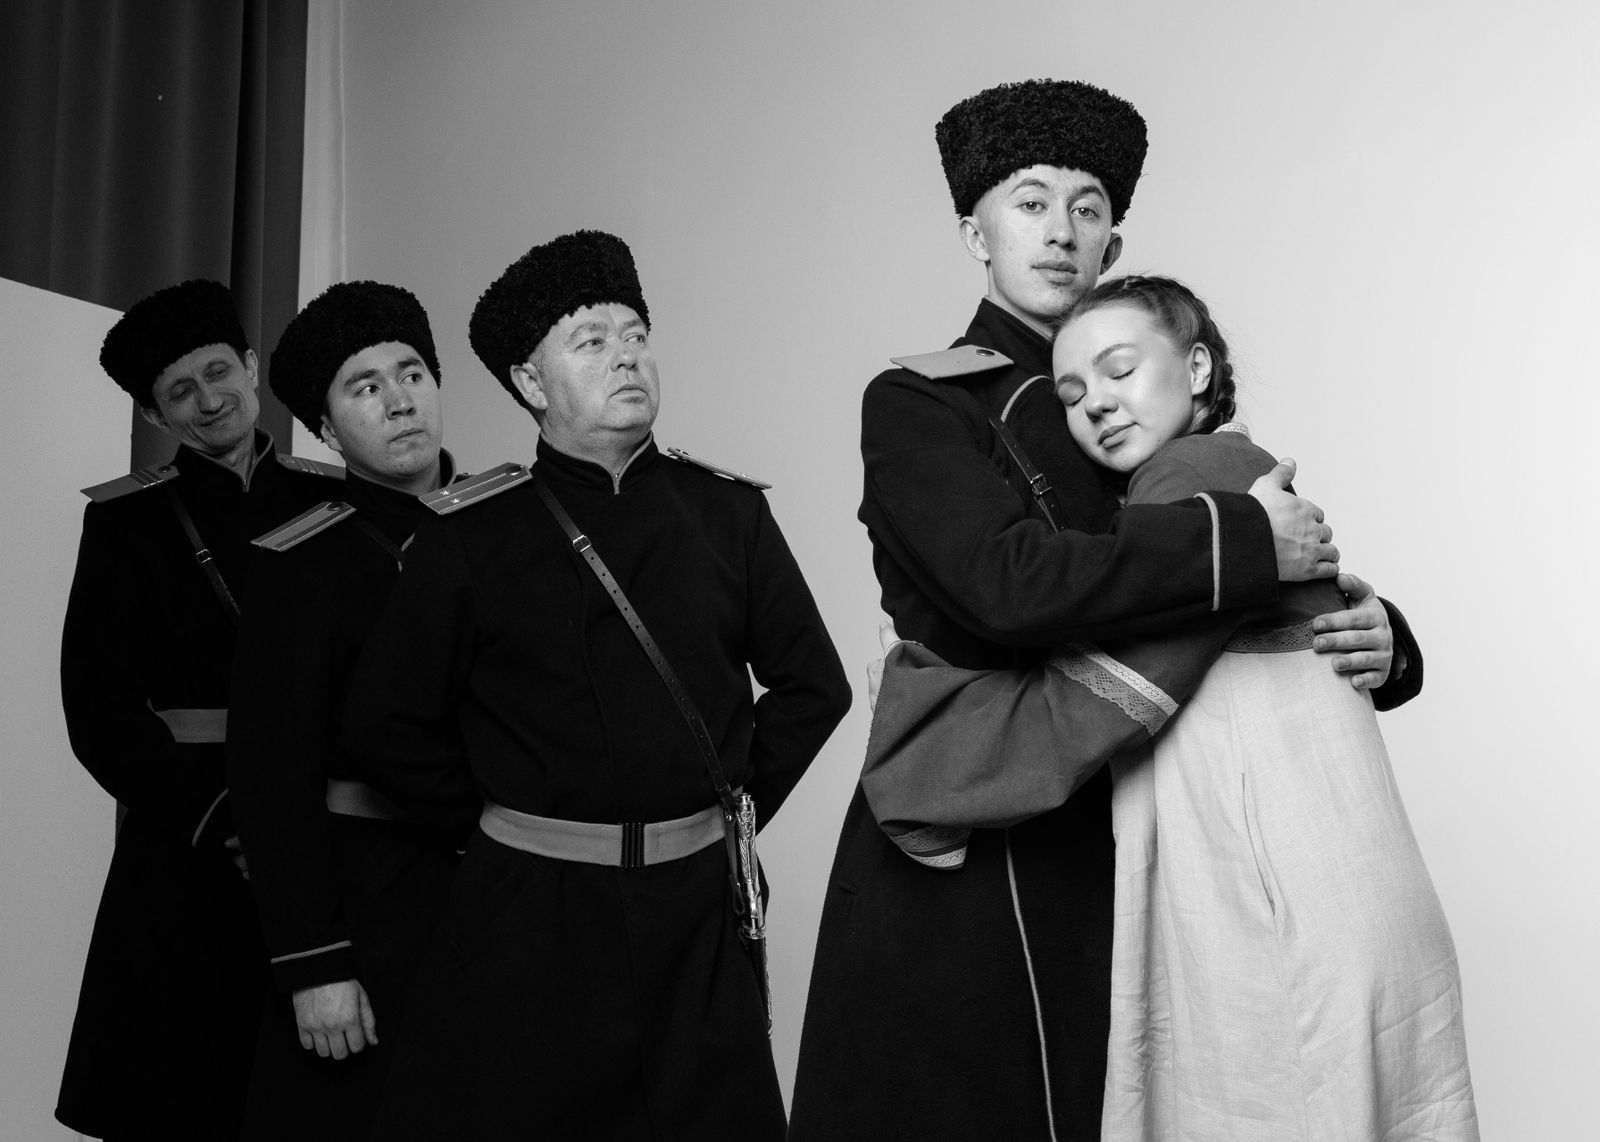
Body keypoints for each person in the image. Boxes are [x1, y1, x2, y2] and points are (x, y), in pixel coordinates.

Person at [789, 80, 1420, 1142]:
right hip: (977, 849)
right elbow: (1004, 587)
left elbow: (1249, 572)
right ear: (975, 232)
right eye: (1030, 202)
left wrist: (1381, 633)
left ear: (1112, 240)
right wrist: (1241, 545)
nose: (1060, 231)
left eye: (1087, 209)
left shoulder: (1149, 399)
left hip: (1144, 832)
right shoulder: (922, 403)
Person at [862, 275, 1477, 1141]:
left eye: (1119, 372)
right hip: (1326, 886)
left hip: (1282, 896)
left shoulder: (1189, 476)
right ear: (974, 234)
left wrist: (928, 753)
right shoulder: (945, 405)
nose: (1095, 404)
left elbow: (1096, 691)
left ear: (1196, 368)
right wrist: (1376, 626)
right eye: (1073, 393)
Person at [342, 230, 853, 1140]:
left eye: (636, 335)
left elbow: (815, 687)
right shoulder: (468, 535)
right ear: (531, 383)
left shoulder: (727, 513)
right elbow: (386, 727)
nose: (626, 356)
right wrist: (506, 830)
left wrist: (725, 816)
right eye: (591, 341)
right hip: (529, 919)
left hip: (697, 912)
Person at [57, 279, 343, 1140]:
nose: (209, 400)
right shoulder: (126, 523)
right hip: (189, 844)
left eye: (218, 372)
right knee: (183, 1095)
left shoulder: (336, 500)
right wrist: (225, 818)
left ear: (251, 367)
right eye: (180, 391)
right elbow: (99, 712)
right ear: (156, 413)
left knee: (320, 1098)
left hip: (325, 825)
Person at [226, 281, 468, 1140]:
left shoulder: (517, 525)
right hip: (369, 905)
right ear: (327, 430)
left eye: (412, 374)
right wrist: (313, 964)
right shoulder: (301, 562)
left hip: (509, 895)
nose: (400, 401)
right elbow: (269, 776)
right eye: (365, 387)